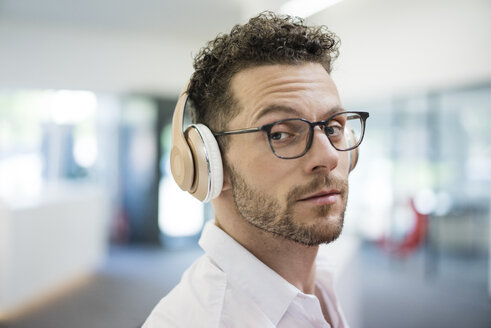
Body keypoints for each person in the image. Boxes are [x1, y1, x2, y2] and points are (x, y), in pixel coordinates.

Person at [143, 11, 369, 328]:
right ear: (208, 163)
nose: (328, 156)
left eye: (333, 127)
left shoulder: (323, 278)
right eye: (279, 133)